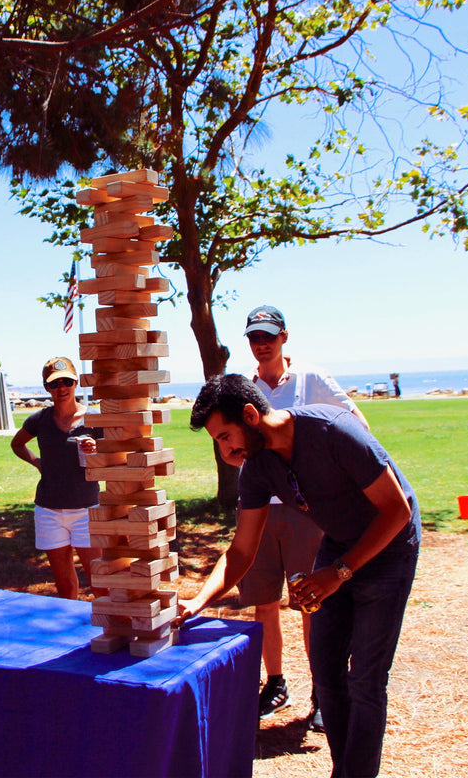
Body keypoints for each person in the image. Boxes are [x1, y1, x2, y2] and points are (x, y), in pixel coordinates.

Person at [178, 375, 420, 778]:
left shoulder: (332, 430)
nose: (224, 450)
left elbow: (397, 511)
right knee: (326, 672)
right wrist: (197, 601)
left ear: (251, 415)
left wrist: (339, 573)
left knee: (365, 679)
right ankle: (345, 769)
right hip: (338, 546)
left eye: (224, 437)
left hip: (390, 545)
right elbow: (241, 551)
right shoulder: (256, 469)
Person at [241, 305, 370, 730]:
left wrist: (346, 475)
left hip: (304, 511)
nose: (262, 345)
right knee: (263, 603)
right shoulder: (245, 387)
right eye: (255, 338)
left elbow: (355, 422)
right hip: (260, 510)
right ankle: (275, 684)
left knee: (311, 603)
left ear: (284, 338)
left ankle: (323, 692)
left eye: (269, 337)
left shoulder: (311, 378)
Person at [11, 357, 103, 599]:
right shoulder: (39, 420)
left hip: (87, 510)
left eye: (67, 381)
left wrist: (98, 449)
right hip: (49, 511)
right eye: (55, 384)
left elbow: (119, 454)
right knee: (64, 586)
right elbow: (17, 443)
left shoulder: (94, 419)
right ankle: (72, 633)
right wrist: (37, 462)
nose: (61, 388)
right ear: (46, 388)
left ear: (76, 383)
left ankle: (111, 632)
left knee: (100, 583)